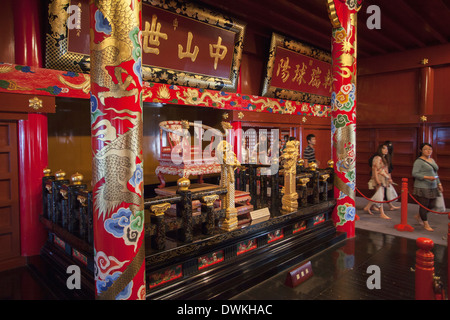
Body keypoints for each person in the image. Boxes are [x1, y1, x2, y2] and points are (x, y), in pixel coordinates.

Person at [412, 143, 444, 232]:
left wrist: (439, 184)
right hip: (422, 186)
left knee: (432, 204)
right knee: (424, 205)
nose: (428, 151)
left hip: (433, 185)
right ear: (421, 150)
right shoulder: (418, 161)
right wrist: (427, 177)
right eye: (426, 149)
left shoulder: (432, 160)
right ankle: (426, 223)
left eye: (430, 149)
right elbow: (414, 173)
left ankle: (419, 216)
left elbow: (435, 173)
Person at [363, 143, 397, 219]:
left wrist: (389, 178)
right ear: (380, 149)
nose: (386, 150)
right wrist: (377, 180)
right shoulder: (377, 158)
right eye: (384, 148)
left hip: (383, 177)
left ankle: (367, 206)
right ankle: (382, 213)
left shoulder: (385, 158)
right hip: (379, 177)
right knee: (380, 195)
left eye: (387, 149)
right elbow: (375, 169)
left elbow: (387, 170)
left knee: (379, 194)